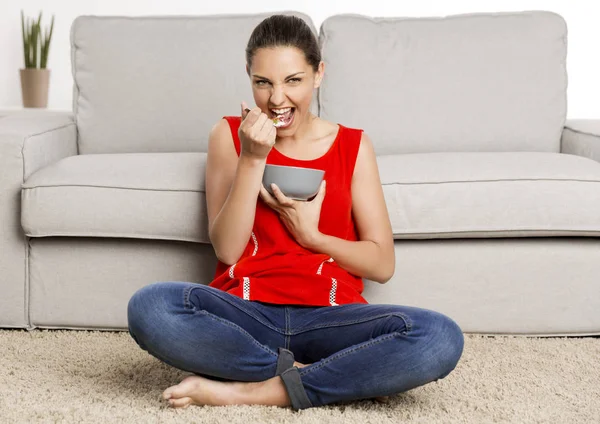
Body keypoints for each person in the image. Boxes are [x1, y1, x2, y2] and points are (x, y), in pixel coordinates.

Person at [127, 14, 464, 411]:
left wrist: (313, 237)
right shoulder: (228, 135)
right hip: (247, 314)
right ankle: (330, 376)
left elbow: (382, 263)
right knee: (150, 307)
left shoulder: (354, 146)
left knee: (439, 336)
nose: (276, 99)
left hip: (333, 317)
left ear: (318, 74)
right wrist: (253, 158)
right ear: (249, 76)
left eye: (293, 80)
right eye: (263, 82)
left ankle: (256, 390)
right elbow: (228, 251)